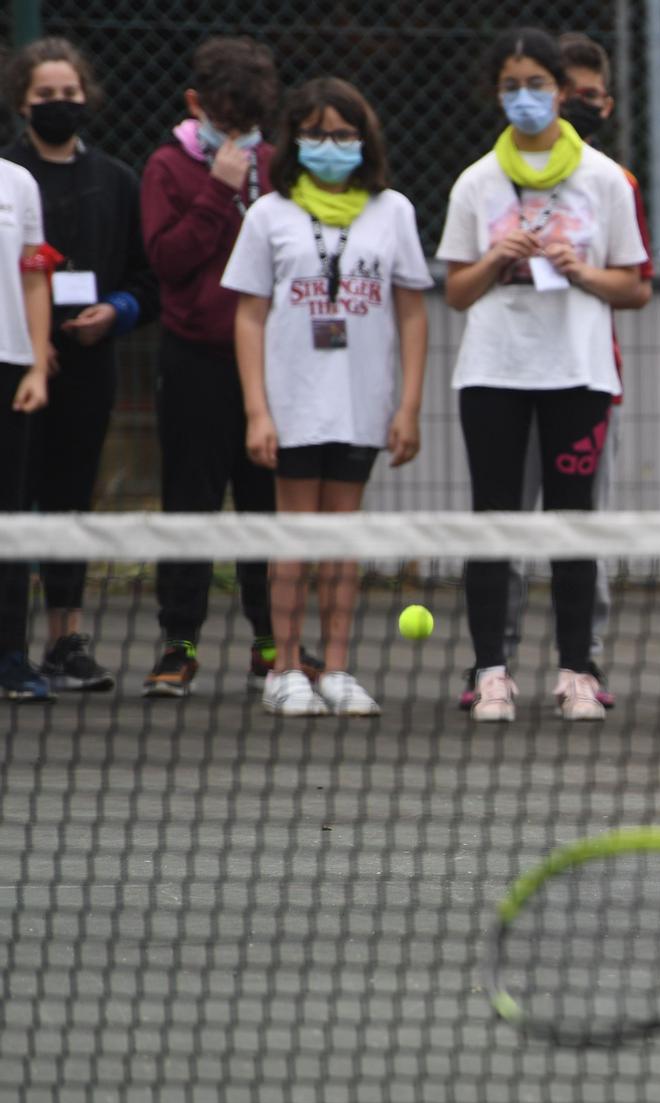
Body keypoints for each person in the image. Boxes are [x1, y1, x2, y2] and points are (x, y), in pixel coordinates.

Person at [436, 27, 649, 723]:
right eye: (511, 86)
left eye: (536, 85)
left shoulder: (603, 179)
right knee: (494, 520)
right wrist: (498, 255)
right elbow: (458, 292)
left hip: (578, 376)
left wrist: (578, 269)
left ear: (562, 91)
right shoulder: (475, 181)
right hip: (493, 373)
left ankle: (577, 669)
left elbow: (636, 287)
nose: (524, 98)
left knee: (573, 522)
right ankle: (491, 672)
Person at [223, 77, 430, 718]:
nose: (330, 144)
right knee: (294, 540)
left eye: (343, 133)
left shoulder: (391, 209)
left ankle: (335, 668)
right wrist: (258, 409)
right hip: (292, 405)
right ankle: (284, 670)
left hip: (362, 405)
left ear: (363, 141)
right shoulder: (268, 214)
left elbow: (413, 314)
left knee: (342, 542)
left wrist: (408, 406)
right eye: (316, 133)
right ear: (295, 141)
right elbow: (249, 317)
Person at [3, 38, 157, 696]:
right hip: (16, 371)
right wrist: (34, 343)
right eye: (46, 97)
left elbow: (148, 281)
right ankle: (9, 645)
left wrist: (114, 312)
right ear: (21, 103)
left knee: (70, 499)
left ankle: (66, 639)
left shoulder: (118, 181)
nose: (60, 106)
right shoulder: (9, 175)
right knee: (14, 503)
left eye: (70, 95)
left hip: (90, 370)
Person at [138, 36, 282, 699]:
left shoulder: (278, 166)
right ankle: (180, 641)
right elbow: (167, 261)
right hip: (193, 358)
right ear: (198, 105)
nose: (239, 136)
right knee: (191, 500)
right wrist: (217, 195)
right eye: (226, 121)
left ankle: (271, 638)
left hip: (269, 364)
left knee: (264, 502)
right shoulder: (168, 168)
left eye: (248, 125)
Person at [0, 149, 53, 700]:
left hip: (9, 367)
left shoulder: (18, 183)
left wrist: (38, 364)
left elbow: (35, 276)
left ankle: (10, 655)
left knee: (8, 520)